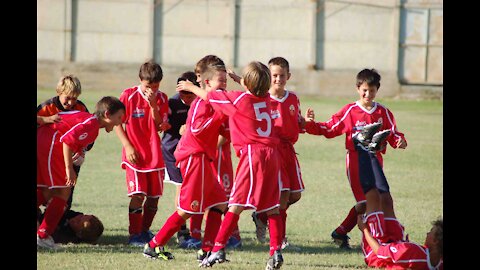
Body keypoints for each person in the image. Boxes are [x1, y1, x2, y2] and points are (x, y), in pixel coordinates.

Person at [178, 61, 284, 270]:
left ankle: (217, 249)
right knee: (272, 207)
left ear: (247, 83)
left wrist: (191, 88)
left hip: (254, 154)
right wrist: (241, 80)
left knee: (235, 204)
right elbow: (253, 89)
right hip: (273, 155)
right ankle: (276, 251)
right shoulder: (265, 98)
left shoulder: (238, 100)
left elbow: (210, 96)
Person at [304, 68, 408, 246]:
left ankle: (340, 232)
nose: (368, 94)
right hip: (355, 161)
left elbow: (393, 134)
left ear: (377, 90)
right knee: (366, 201)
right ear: (358, 89)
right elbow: (330, 128)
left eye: (372, 90)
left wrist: (400, 141)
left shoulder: (383, 112)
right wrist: (309, 125)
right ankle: (370, 244)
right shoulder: (350, 111)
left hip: (375, 161)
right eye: (364, 90)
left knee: (373, 201)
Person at [142, 58, 229, 261]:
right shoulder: (201, 104)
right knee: (188, 209)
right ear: (207, 83)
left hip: (204, 158)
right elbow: (197, 130)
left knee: (219, 203)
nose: (224, 84)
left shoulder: (215, 102)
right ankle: (153, 245)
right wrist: (219, 118)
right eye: (220, 80)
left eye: (226, 80)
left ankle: (207, 251)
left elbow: (225, 125)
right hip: (194, 157)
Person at [37, 96, 125, 249]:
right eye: (119, 117)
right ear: (107, 114)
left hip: (44, 140)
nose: (120, 122)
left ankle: (43, 234)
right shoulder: (91, 125)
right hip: (49, 144)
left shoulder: (89, 121)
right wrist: (68, 168)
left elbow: (69, 132)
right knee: (62, 192)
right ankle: (43, 236)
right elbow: (66, 141)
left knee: (45, 191)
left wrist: (79, 153)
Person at [246, 57, 305, 250]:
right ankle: (280, 239)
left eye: (282, 75)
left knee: (295, 195)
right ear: (268, 77)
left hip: (289, 151)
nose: (278, 79)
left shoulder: (293, 98)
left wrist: (304, 122)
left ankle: (261, 215)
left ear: (288, 76)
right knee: (282, 194)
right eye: (274, 75)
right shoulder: (263, 99)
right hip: (273, 151)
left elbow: (296, 120)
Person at [114, 60, 170, 246]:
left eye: (156, 86)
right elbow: (117, 123)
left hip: (155, 156)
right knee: (138, 196)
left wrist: (153, 105)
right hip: (135, 156)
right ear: (140, 80)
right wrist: (128, 146)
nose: (152, 90)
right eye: (148, 86)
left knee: (153, 200)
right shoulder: (128, 96)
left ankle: (144, 231)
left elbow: (158, 126)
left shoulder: (162, 98)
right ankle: (134, 234)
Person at [36, 75, 93, 212]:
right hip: (47, 156)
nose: (70, 102)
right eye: (67, 97)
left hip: (70, 157)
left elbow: (89, 131)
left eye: (74, 98)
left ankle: (60, 221)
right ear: (59, 92)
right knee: (43, 189)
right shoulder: (47, 107)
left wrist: (83, 150)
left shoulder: (81, 108)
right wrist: (47, 119)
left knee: (66, 193)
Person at [161, 71, 199, 247]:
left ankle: (196, 231)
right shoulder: (173, 103)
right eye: (183, 93)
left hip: (193, 153)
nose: (186, 97)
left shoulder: (200, 102)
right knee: (182, 189)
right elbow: (162, 125)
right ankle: (182, 233)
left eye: (190, 93)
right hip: (173, 153)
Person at [358, 216, 443, 269]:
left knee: (370, 202)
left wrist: (364, 229)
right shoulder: (439, 262)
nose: (427, 233)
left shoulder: (413, 251)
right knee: (386, 201)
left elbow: (379, 251)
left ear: (435, 241)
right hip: (395, 245)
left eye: (431, 232)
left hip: (374, 255)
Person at [38, 208, 104, 244]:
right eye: (81, 216)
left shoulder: (66, 236)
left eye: (78, 222)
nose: (75, 219)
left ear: (79, 234)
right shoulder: (75, 216)